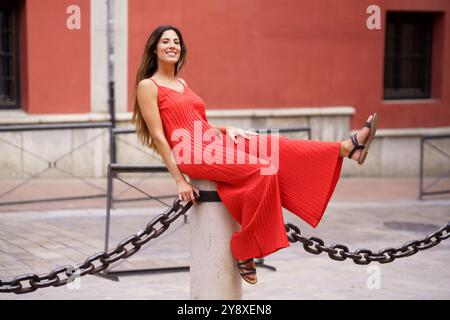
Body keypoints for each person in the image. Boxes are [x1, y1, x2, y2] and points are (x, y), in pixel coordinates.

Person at [132, 25, 378, 285]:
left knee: (276, 145)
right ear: (155, 49)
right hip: (192, 152)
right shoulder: (148, 86)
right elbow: (160, 136)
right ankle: (245, 249)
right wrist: (180, 180)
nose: (172, 45)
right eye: (166, 41)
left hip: (212, 141)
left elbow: (198, 123)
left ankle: (346, 148)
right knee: (263, 169)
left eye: (177, 42)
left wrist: (228, 130)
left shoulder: (182, 83)